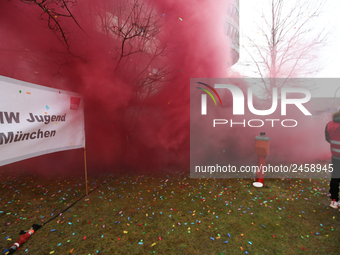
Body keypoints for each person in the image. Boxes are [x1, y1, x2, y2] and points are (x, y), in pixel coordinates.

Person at [325, 110, 340, 210]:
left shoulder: (329, 124)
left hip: (335, 156)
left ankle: (334, 201)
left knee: (335, 178)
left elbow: (328, 138)